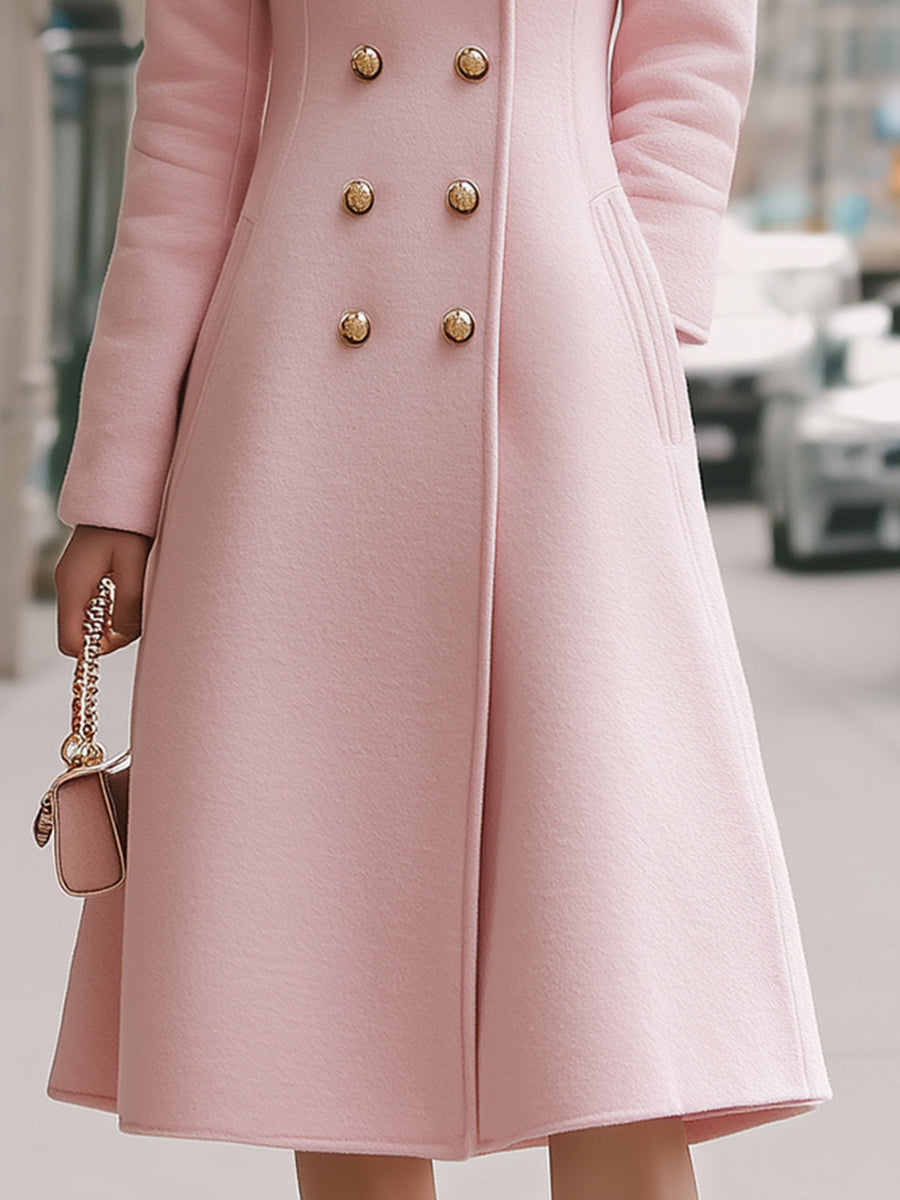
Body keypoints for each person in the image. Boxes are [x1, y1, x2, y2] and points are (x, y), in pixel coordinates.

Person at [49, 1, 833, 1198]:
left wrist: (638, 306)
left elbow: (689, 57)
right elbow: (189, 131)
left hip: (561, 379)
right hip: (297, 406)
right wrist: (118, 483)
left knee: (608, 930)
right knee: (331, 943)